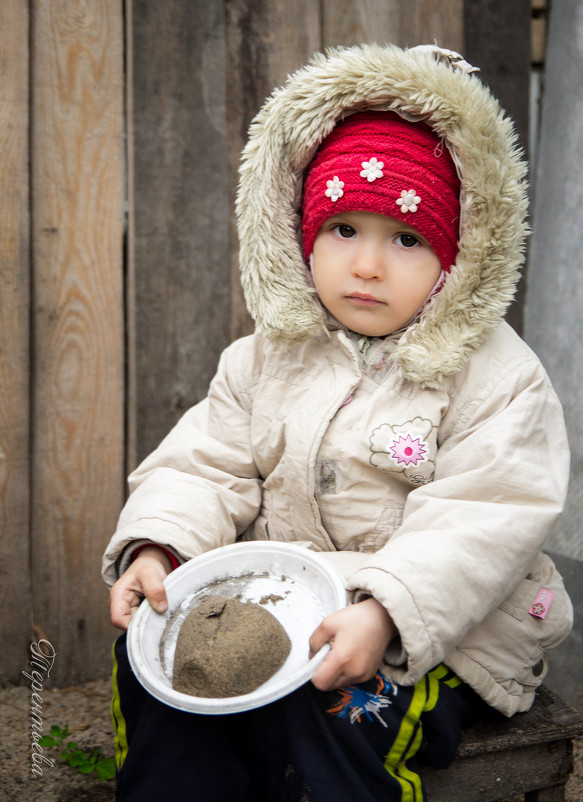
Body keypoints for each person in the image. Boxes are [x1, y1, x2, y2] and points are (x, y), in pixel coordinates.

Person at [103, 43, 573, 801]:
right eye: (344, 230)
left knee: (332, 703)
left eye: (407, 239)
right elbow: (205, 463)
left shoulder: (497, 377)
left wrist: (386, 613)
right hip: (288, 606)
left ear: (459, 259)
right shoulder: (266, 356)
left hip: (441, 632)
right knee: (161, 668)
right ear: (302, 234)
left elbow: (482, 516)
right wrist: (160, 543)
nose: (365, 266)